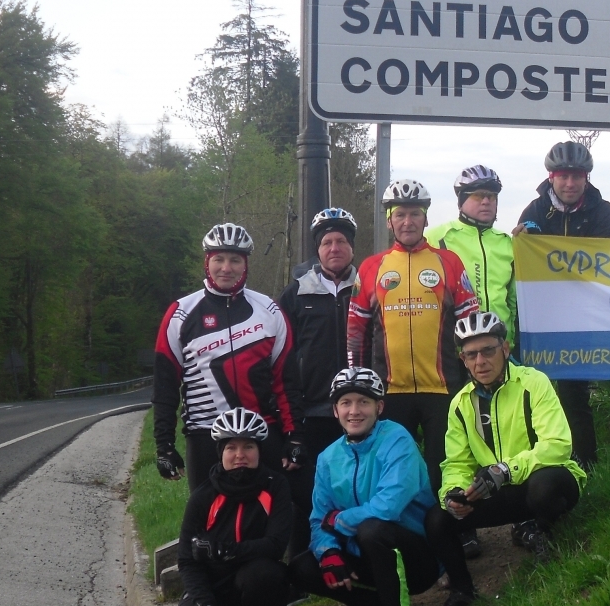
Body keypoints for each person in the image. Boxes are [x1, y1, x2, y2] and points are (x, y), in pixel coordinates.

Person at [289, 367, 470, 606]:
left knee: (372, 529)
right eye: (345, 403)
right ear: (335, 411)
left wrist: (339, 520)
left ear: (380, 407)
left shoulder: (397, 439)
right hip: (363, 551)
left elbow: (389, 506)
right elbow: (318, 519)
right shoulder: (328, 458)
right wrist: (329, 552)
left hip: (414, 553)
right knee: (303, 567)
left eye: (364, 402)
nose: (354, 411)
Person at [347, 179, 479, 499]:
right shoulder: (370, 267)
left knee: (448, 464)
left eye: (415, 214)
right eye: (401, 214)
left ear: (425, 218)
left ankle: (456, 529)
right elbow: (355, 333)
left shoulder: (449, 262)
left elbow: (470, 324)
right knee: (396, 467)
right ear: (390, 220)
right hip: (390, 390)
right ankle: (404, 534)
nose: (408, 221)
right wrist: (358, 383)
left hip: (442, 386)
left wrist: (473, 377)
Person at [153, 223, 304, 492]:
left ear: (245, 265)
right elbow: (165, 387)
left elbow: (286, 381)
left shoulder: (269, 310)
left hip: (260, 431)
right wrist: (164, 446)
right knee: (206, 524)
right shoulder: (181, 313)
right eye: (218, 259)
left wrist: (294, 436)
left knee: (269, 520)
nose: (226, 268)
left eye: (235, 260)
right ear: (206, 262)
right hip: (205, 434)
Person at [438, 313, 587, 567]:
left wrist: (506, 470)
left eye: (488, 351)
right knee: (437, 519)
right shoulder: (461, 404)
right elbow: (457, 462)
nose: (481, 361)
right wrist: (453, 493)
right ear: (463, 359)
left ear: (505, 349)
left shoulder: (534, 382)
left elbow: (558, 445)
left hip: (546, 478)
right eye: (471, 355)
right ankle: (462, 594)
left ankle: (547, 534)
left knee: (544, 487)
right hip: (499, 488)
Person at [162, 408, 293, 606]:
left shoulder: (276, 486)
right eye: (231, 447)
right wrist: (206, 605)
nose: (239, 455)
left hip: (252, 587)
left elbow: (276, 545)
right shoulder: (203, 497)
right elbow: (187, 561)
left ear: (259, 450)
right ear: (220, 452)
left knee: (268, 573)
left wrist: (227, 550)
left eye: (248, 446)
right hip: (211, 589)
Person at [515, 140, 610, 465]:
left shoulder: (602, 209)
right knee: (533, 388)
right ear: (551, 177)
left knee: (575, 392)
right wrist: (524, 239)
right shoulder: (533, 209)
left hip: (580, 311)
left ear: (586, 178)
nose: (570, 183)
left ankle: (587, 461)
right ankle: (532, 458)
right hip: (542, 312)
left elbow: (599, 258)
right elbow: (524, 259)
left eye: (577, 177)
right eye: (563, 177)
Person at [278, 207, 358, 557]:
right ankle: (301, 567)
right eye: (327, 242)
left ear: (352, 247)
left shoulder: (369, 285)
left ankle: (354, 554)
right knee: (307, 491)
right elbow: (281, 360)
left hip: (358, 407)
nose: (334, 247)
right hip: (313, 409)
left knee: (356, 485)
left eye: (341, 240)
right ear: (318, 249)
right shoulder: (295, 295)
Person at [425, 166, 518, 351]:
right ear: (461, 201)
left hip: (499, 347)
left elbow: (514, 302)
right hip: (453, 348)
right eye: (478, 195)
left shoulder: (508, 243)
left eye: (491, 196)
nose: (486, 201)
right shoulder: (436, 238)